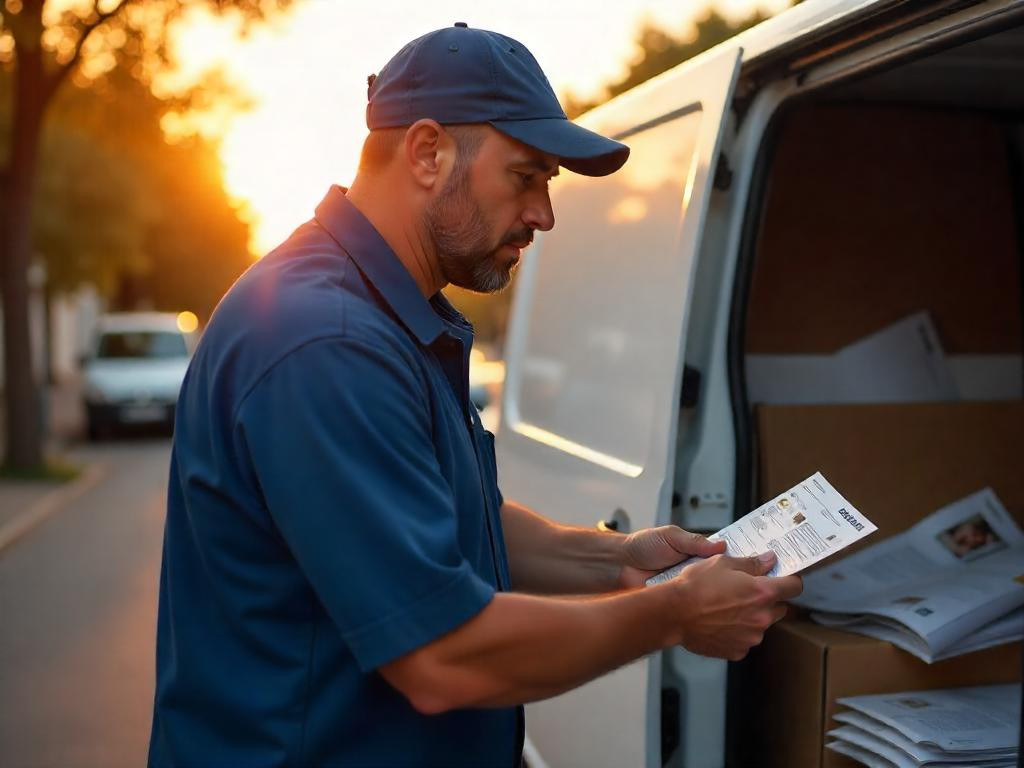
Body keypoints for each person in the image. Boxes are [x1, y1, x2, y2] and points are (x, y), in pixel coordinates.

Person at [148, 24, 801, 768]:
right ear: (427, 153)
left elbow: (455, 521)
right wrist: (675, 613)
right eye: (525, 176)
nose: (544, 215)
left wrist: (620, 557)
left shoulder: (384, 314)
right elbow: (441, 658)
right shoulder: (326, 343)